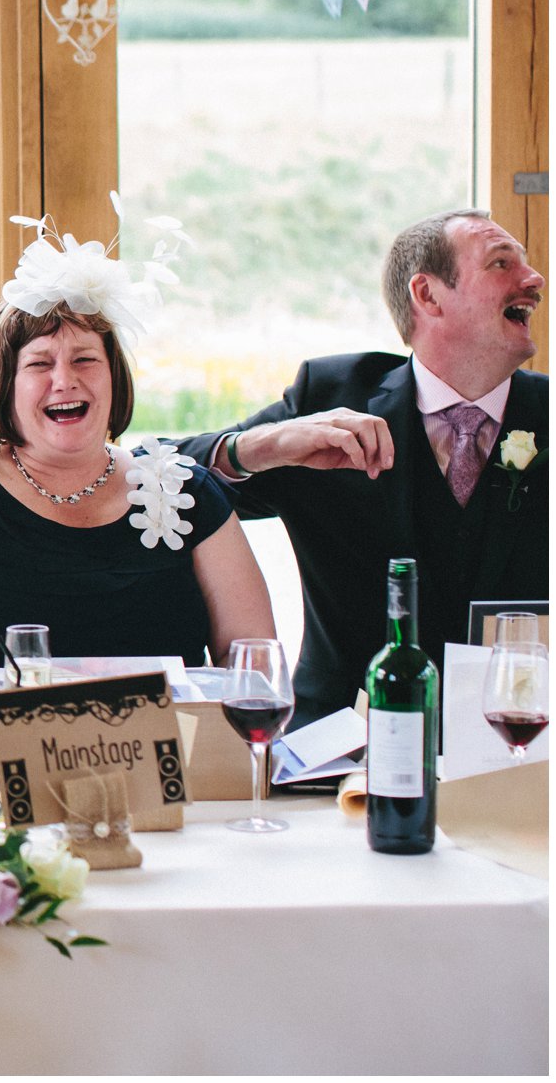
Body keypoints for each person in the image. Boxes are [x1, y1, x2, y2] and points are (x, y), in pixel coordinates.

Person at [0, 214, 276, 720]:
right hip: (6, 781)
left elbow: (254, 668)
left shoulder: (187, 490)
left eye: (84, 359)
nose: (64, 380)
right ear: (4, 385)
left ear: (114, 376)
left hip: (183, 777)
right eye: (39, 363)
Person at [177, 209, 547, 724]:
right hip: (340, 744)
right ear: (428, 295)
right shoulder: (332, 397)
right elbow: (163, 481)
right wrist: (263, 446)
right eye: (501, 263)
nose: (534, 280)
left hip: (521, 747)